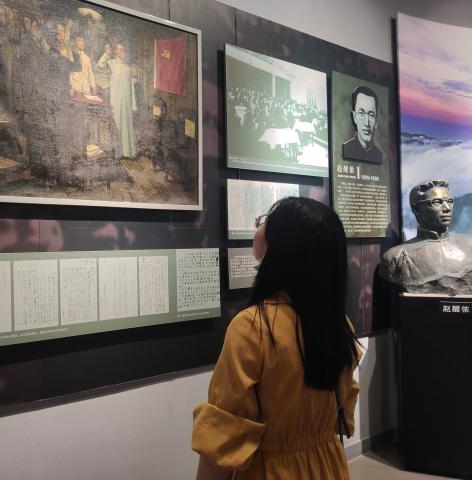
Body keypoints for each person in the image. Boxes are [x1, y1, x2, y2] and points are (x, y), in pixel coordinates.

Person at [192, 197, 360, 480]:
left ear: (281, 244)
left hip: (271, 469)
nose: (257, 227)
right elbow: (342, 410)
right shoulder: (339, 323)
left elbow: (224, 434)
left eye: (264, 222)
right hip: (327, 464)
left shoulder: (252, 327)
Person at [380, 180, 472, 294]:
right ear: (416, 209)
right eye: (437, 202)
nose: (447, 208)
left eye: (450, 201)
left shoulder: (470, 245)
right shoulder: (395, 258)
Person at [98, 42, 137, 159]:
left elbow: (131, 87)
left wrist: (133, 105)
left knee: (126, 126)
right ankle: (117, 153)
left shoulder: (127, 68)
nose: (123, 52)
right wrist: (106, 54)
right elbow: (100, 65)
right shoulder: (111, 63)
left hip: (126, 102)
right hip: (115, 101)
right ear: (115, 51)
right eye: (120, 50)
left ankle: (127, 153)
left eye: (123, 50)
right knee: (116, 125)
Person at [342, 85, 383, 164]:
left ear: (376, 122)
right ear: (354, 117)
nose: (366, 123)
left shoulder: (379, 155)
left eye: (371, 115)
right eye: (361, 113)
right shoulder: (346, 149)